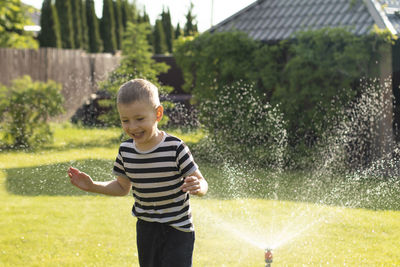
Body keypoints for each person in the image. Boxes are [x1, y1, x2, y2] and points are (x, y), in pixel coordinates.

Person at [67, 78, 208, 267]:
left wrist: (198, 186)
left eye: (139, 119)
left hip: (178, 230)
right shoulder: (126, 150)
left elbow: (202, 183)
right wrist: (93, 186)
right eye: (125, 120)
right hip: (146, 229)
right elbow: (122, 187)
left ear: (158, 113)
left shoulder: (175, 147)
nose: (132, 127)